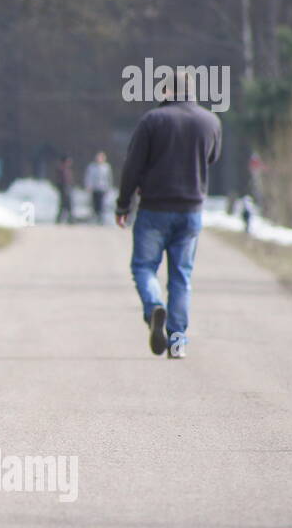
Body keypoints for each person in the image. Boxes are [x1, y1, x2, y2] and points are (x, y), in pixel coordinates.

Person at [115, 78, 222, 359]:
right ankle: (177, 342)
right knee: (181, 277)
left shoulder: (153, 120)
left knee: (143, 267)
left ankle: (153, 309)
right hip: (191, 211)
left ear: (165, 91)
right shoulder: (210, 121)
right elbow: (211, 159)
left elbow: (132, 165)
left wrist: (123, 204)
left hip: (154, 209)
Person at [84, 151, 113, 225]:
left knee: (101, 203)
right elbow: (89, 177)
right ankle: (95, 216)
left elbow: (109, 178)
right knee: (95, 203)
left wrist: (108, 187)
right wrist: (88, 186)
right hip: (94, 188)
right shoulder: (92, 167)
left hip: (102, 188)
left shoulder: (106, 167)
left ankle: (101, 217)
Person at [54, 156, 74, 224]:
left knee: (66, 204)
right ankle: (67, 219)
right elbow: (60, 180)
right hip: (63, 188)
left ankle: (67, 218)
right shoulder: (62, 169)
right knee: (65, 204)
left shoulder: (66, 169)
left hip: (67, 187)